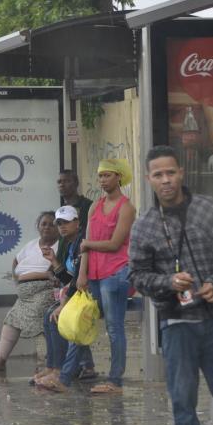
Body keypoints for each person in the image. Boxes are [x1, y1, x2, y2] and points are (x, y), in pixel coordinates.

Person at [130, 145, 213, 425]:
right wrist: (168, 282)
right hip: (176, 323)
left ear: (181, 173)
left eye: (171, 172)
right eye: (159, 175)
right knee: (182, 399)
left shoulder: (210, 208)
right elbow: (137, 276)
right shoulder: (144, 225)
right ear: (149, 179)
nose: (166, 180)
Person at [75, 159, 136, 394]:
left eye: (107, 175)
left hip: (117, 272)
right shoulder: (94, 207)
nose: (103, 180)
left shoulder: (126, 207)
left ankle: (115, 380)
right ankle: (74, 369)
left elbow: (114, 244)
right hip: (94, 275)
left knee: (114, 327)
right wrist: (83, 274)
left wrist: (88, 243)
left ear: (119, 177)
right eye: (100, 176)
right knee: (82, 320)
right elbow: (85, 249)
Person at [0, 211, 60, 372]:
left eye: (52, 224)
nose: (47, 227)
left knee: (43, 321)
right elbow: (16, 260)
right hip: (24, 294)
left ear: (58, 227)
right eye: (43, 224)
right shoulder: (32, 244)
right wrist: (17, 280)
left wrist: (43, 275)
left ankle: (53, 363)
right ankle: (0, 359)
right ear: (38, 227)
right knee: (11, 320)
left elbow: (56, 271)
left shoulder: (60, 246)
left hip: (45, 290)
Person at [33, 205, 97, 390]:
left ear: (77, 222)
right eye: (59, 223)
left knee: (57, 317)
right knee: (49, 315)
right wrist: (54, 261)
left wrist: (64, 304)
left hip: (89, 293)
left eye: (67, 222)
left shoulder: (82, 243)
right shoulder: (70, 245)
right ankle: (53, 366)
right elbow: (68, 278)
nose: (62, 227)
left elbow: (78, 279)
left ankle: (60, 370)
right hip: (76, 293)